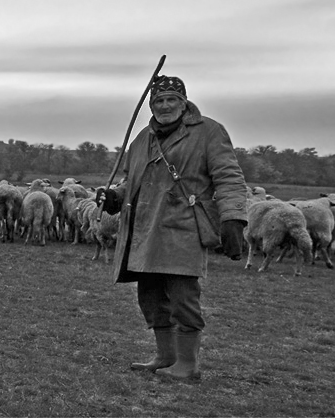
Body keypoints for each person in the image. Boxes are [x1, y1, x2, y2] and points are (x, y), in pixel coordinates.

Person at [98, 75, 247, 380]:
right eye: (158, 101)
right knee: (151, 298)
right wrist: (115, 195)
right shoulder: (142, 139)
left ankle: (188, 365)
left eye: (171, 100)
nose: (164, 106)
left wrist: (233, 217)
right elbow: (132, 181)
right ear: (151, 105)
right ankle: (165, 357)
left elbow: (229, 177)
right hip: (145, 230)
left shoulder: (208, 132)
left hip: (182, 228)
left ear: (183, 102)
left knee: (183, 298)